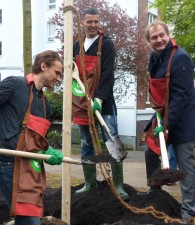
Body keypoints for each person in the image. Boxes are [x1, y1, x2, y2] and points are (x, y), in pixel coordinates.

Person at [0, 50, 64, 225]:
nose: (59, 78)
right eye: (57, 72)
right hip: (8, 165)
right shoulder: (15, 85)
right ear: (43, 66)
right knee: (29, 221)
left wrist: (48, 151)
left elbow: (35, 139)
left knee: (30, 219)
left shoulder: (45, 104)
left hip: (31, 170)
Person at [143, 20, 195, 224]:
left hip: (183, 118)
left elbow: (180, 97)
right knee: (150, 150)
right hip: (163, 113)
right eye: (154, 37)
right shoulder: (154, 57)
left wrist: (166, 127)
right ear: (149, 41)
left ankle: (189, 212)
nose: (158, 40)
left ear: (168, 35)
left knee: (185, 166)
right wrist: (159, 118)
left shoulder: (181, 58)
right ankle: (155, 192)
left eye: (161, 35)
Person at [72, 7, 129, 200]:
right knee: (86, 143)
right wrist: (78, 95)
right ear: (82, 23)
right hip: (82, 103)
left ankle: (119, 185)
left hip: (103, 103)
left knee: (112, 139)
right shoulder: (77, 45)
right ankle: (90, 183)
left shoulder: (106, 44)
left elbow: (107, 74)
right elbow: (74, 76)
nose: (93, 25)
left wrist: (98, 99)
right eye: (89, 21)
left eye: (96, 21)